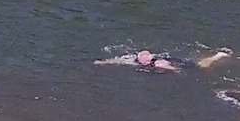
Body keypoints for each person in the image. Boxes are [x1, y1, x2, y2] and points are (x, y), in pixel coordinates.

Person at [95, 50, 231, 73]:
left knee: (201, 66)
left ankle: (217, 56)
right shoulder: (136, 60)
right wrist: (105, 62)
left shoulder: (157, 63)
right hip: (172, 60)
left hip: (174, 63)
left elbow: (170, 68)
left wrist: (178, 72)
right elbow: (121, 61)